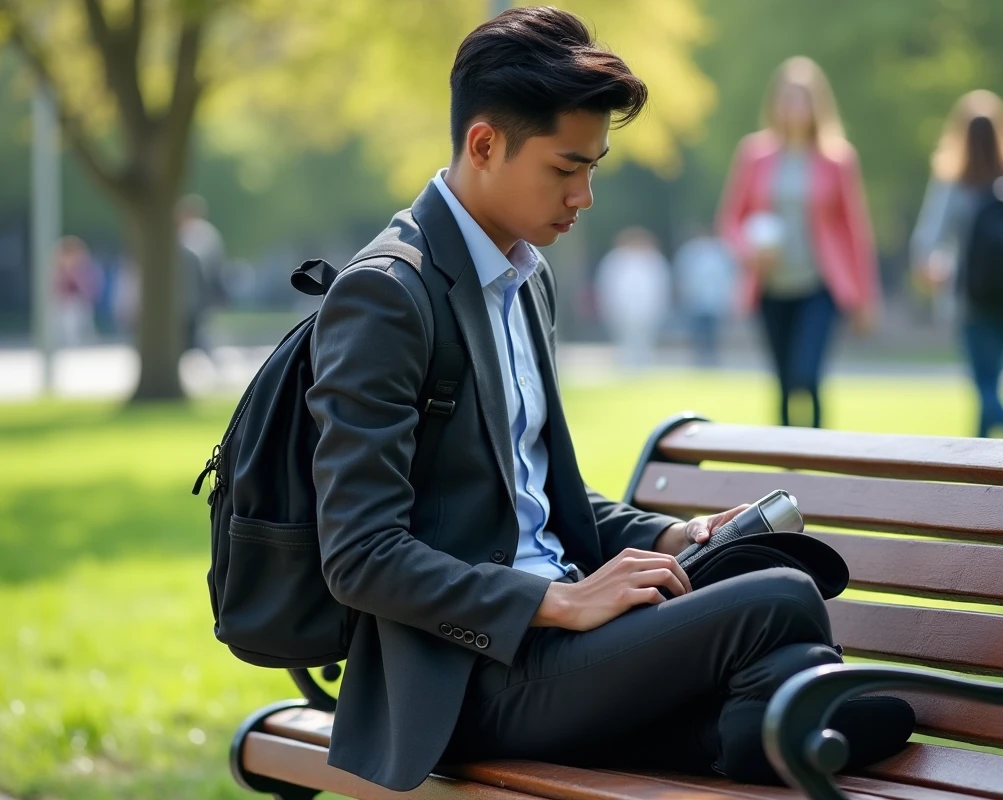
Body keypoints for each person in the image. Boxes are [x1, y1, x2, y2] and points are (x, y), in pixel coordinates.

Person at [305, 8, 911, 793]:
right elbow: (359, 556)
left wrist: (672, 532)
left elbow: (531, 495)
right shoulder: (387, 295)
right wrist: (555, 601)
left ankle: (745, 726)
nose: (585, 195)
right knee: (786, 602)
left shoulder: (523, 277)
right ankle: (757, 723)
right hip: (472, 675)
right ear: (484, 144)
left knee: (773, 609)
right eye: (565, 169)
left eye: (593, 167)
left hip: (568, 647)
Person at [717, 56, 880, 428]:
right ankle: (787, 468)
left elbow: (856, 231)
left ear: (816, 105)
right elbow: (730, 220)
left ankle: (818, 454)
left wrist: (865, 298)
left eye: (802, 99)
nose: (794, 107)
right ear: (775, 103)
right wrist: (748, 251)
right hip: (770, 287)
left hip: (820, 285)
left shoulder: (838, 160)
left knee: (807, 376)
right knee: (784, 383)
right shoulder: (754, 155)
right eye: (787, 98)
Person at [910, 90, 1003, 439]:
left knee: (985, 383)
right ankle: (979, 460)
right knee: (992, 378)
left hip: (972, 298)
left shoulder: (954, 180)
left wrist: (930, 270)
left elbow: (927, 239)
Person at [593, 227, 672, 369]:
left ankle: (643, 365)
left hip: (648, 307)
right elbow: (607, 284)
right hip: (621, 307)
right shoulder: (615, 259)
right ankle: (626, 366)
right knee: (624, 339)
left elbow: (662, 285)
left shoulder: (654, 259)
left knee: (645, 339)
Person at [674, 225, 736, 366]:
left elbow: (727, 277)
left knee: (713, 334)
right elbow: (682, 276)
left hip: (715, 301)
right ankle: (700, 360)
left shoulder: (720, 252)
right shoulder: (690, 252)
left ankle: (711, 360)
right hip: (695, 301)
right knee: (697, 333)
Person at [177, 194, 226, 350]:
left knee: (199, 326)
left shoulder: (198, 232)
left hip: (200, 287)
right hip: (195, 287)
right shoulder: (200, 232)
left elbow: (196, 261)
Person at [52, 235, 102, 346]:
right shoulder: (58, 269)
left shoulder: (83, 267)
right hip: (62, 305)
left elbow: (88, 287)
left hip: (78, 303)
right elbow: (55, 287)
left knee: (79, 329)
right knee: (63, 329)